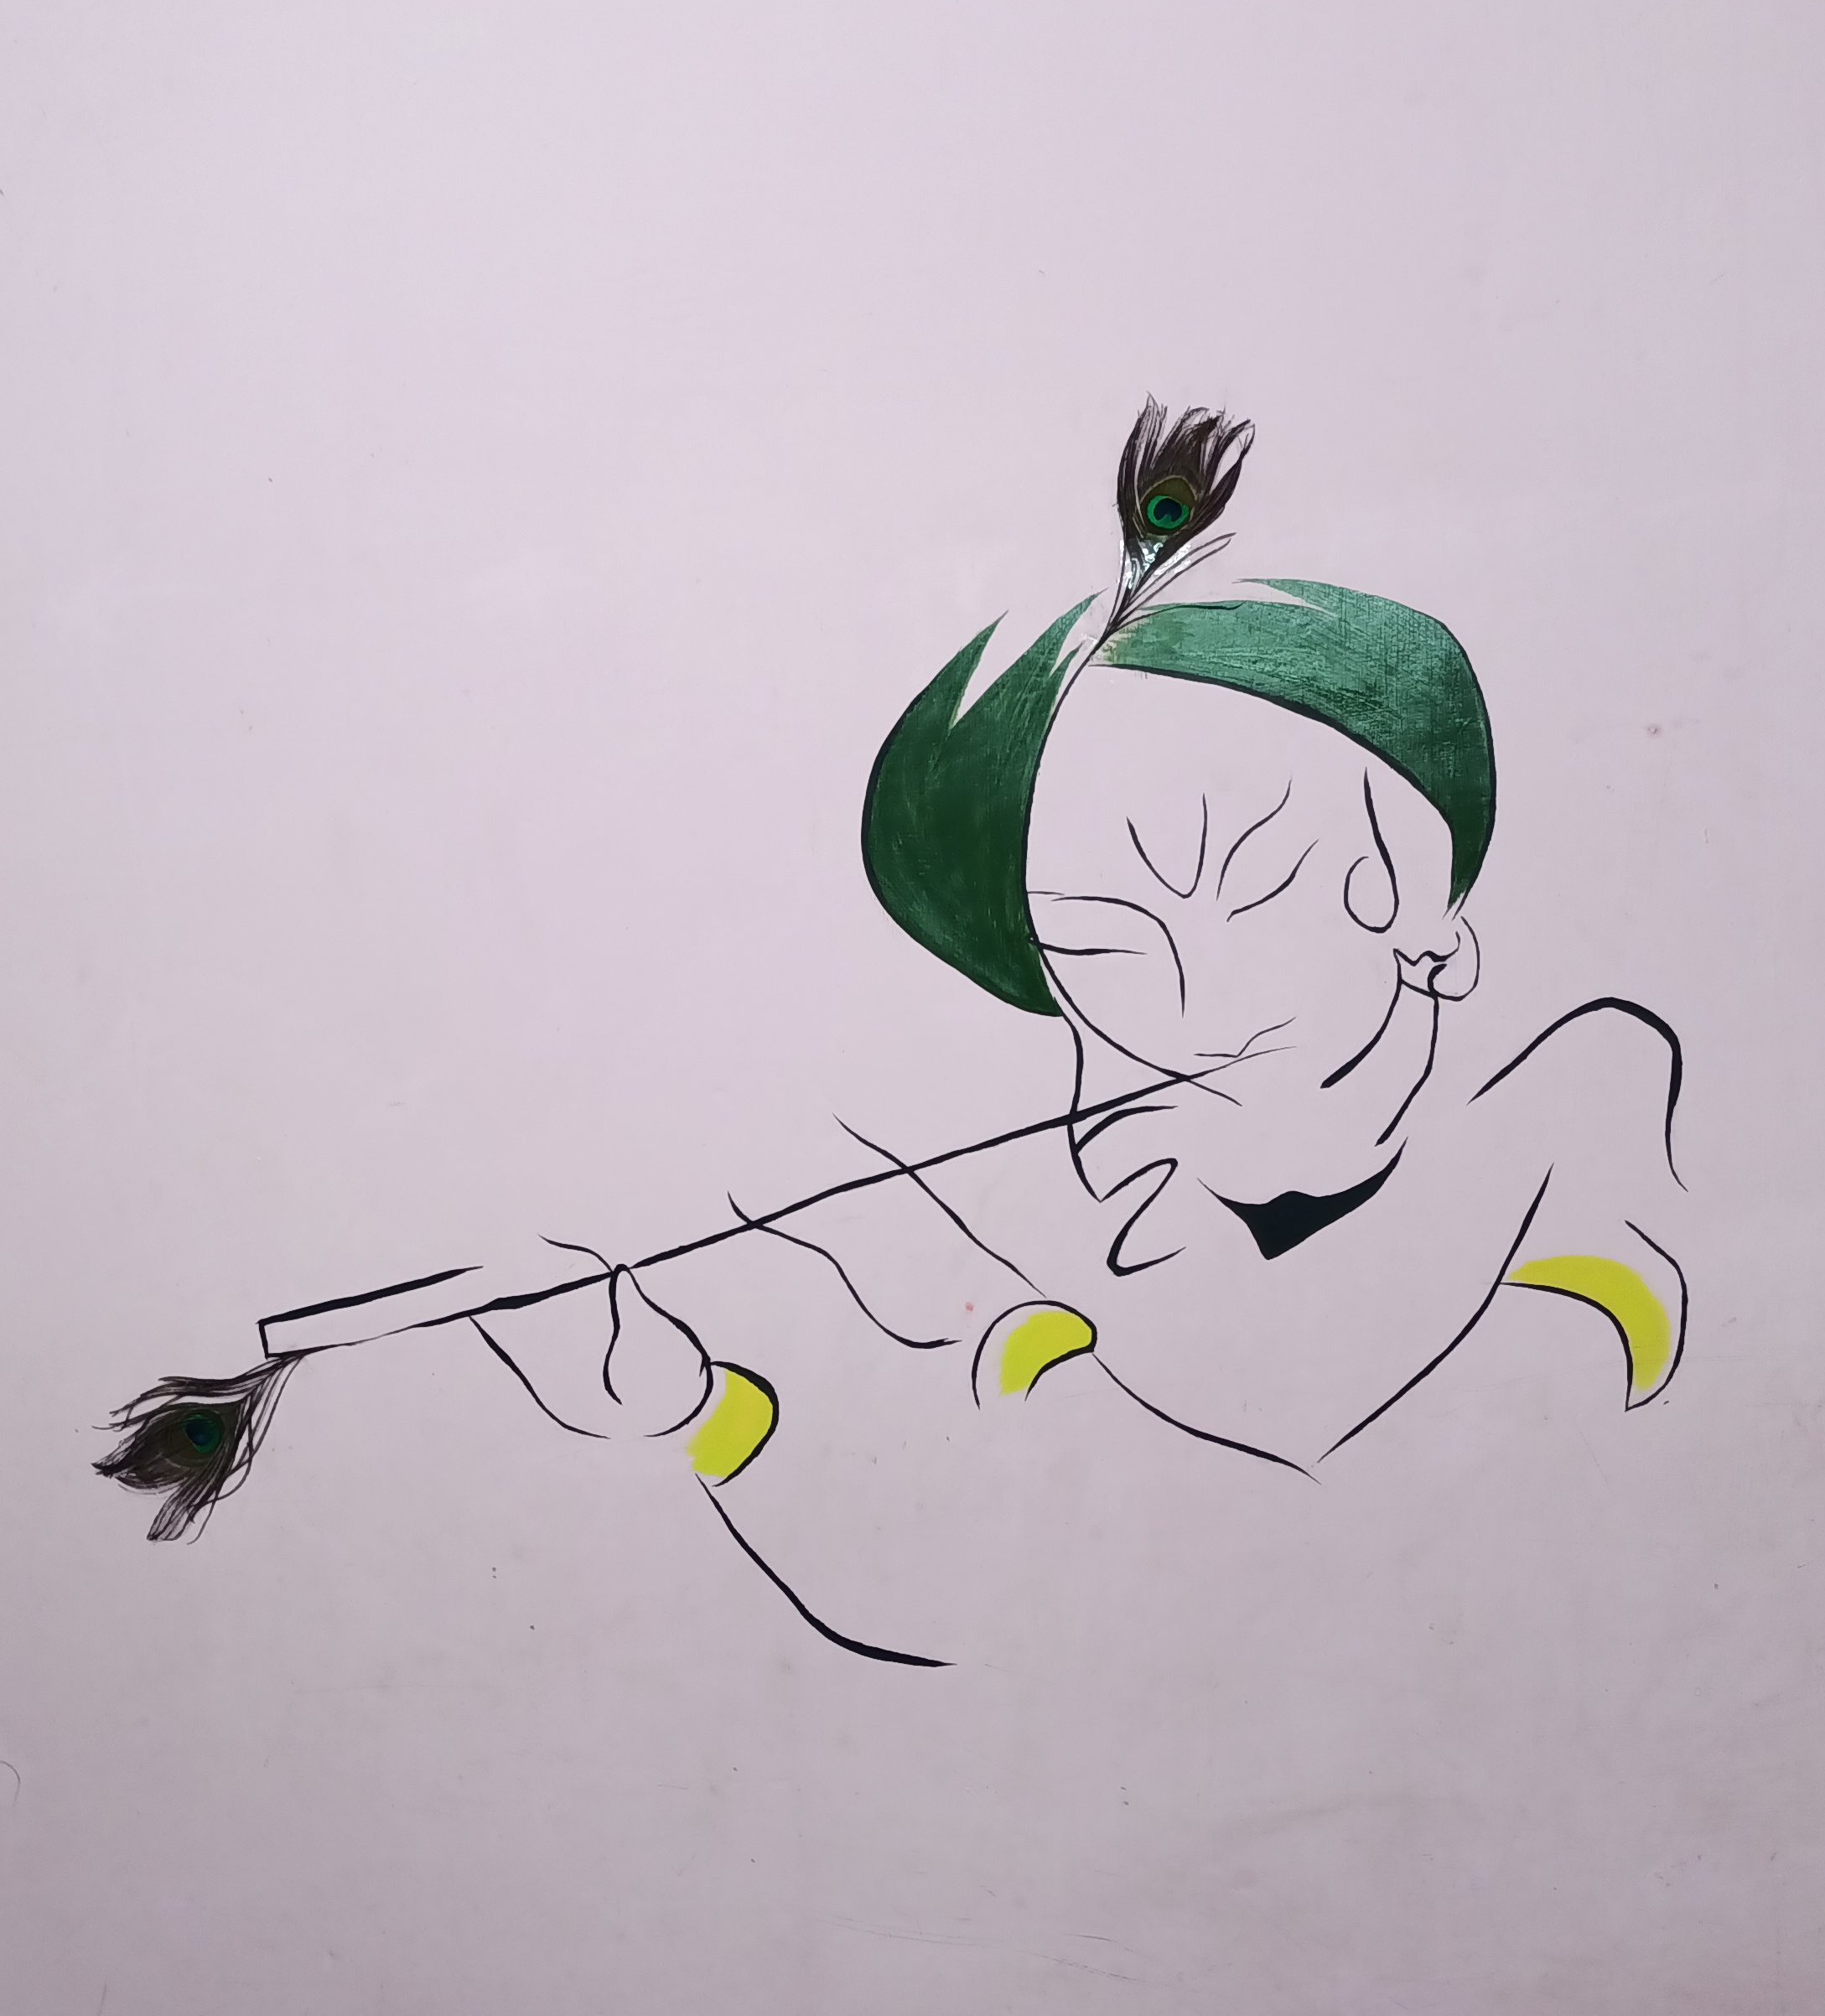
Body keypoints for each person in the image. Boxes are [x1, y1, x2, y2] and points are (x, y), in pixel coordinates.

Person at [101, 402, 1686, 1662]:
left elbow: (1368, 1554)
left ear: (1429, 918)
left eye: (1242, 877)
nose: (1179, 987)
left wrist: (997, 1311)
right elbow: (997, 1618)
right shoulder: (1045, 1248)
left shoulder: (1585, 1116)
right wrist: (698, 1401)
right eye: (1099, 943)